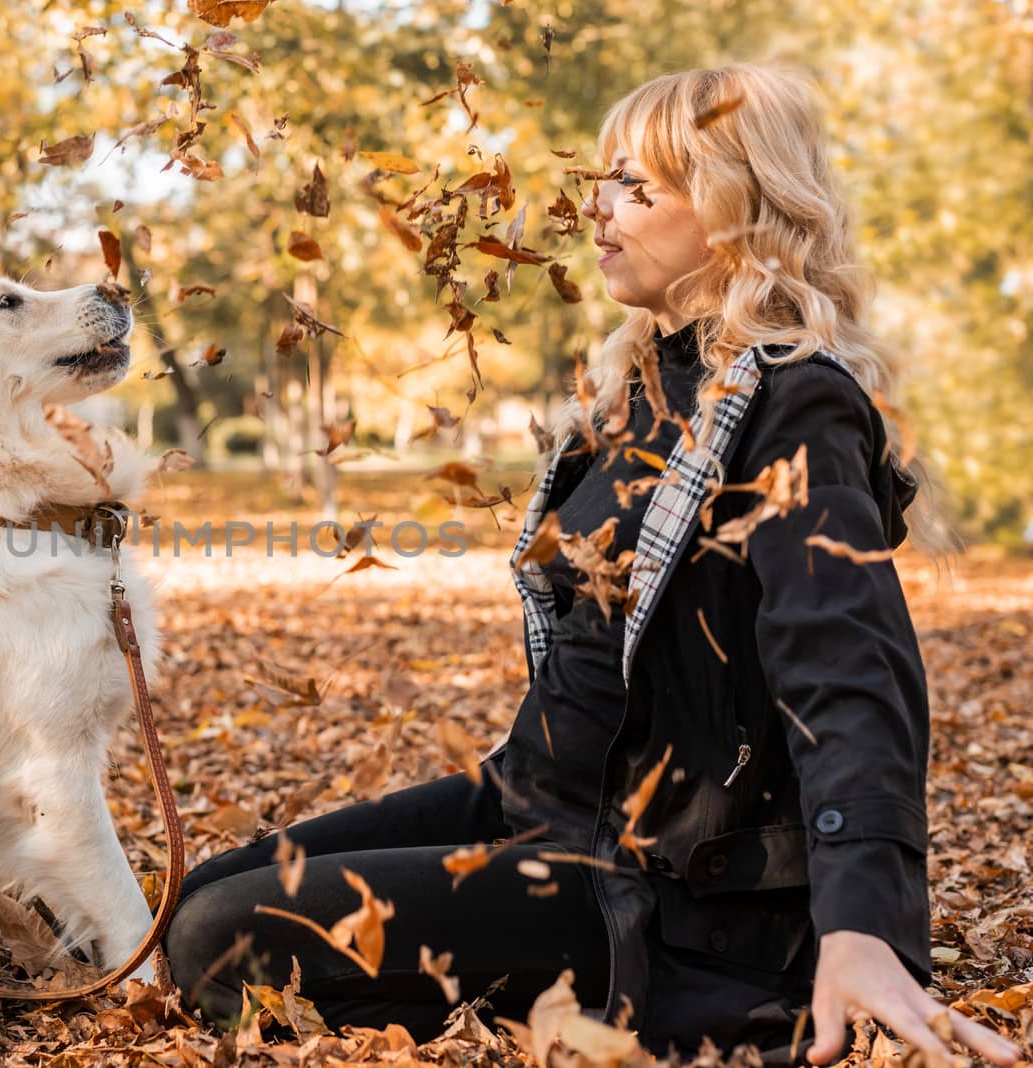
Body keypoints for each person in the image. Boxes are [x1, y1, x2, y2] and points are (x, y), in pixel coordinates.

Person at [162, 64, 1021, 1066]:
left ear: (737, 210)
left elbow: (847, 675)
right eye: (603, 182)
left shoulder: (794, 402)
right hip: (535, 807)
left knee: (219, 940)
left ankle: (695, 1011)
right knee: (204, 893)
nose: (598, 209)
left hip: (675, 895)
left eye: (639, 188)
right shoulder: (633, 395)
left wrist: (862, 922)